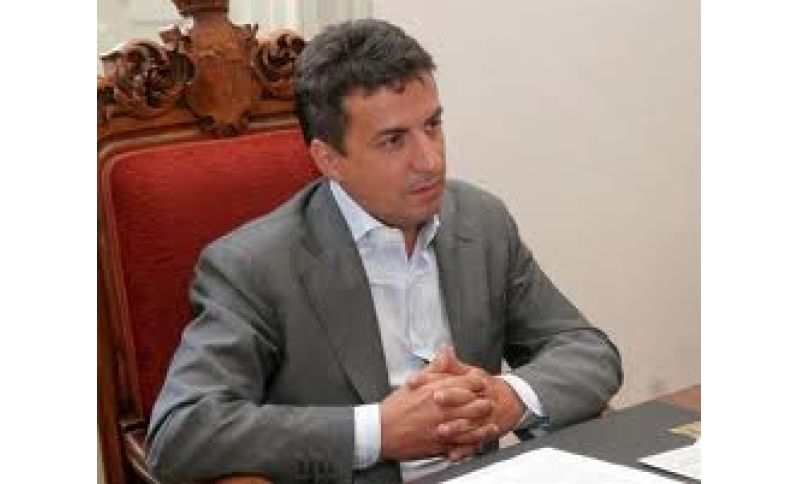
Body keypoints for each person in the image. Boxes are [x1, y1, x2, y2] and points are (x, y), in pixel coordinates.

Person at [145, 18, 622, 484]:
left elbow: (587, 350)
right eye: (393, 141)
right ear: (328, 160)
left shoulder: (481, 221)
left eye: (432, 125)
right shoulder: (253, 266)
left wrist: (507, 399)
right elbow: (182, 431)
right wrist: (376, 432)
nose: (430, 160)